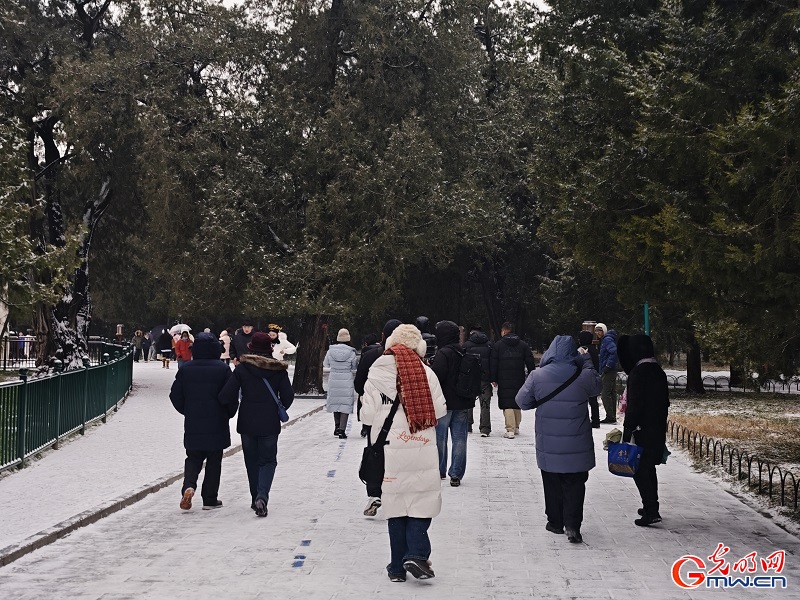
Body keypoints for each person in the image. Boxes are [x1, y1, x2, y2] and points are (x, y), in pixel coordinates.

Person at [361, 324, 447, 582]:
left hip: (389, 447)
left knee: (396, 505)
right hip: (420, 443)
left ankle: (397, 568)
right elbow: (440, 410)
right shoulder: (426, 372)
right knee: (421, 501)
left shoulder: (376, 373)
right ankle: (417, 553)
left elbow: (366, 415)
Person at [515, 335, 602, 544]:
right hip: (577, 442)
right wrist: (587, 361)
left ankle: (555, 522)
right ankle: (573, 525)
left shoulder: (538, 375)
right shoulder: (583, 375)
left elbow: (521, 401)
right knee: (575, 483)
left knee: (551, 480)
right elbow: (597, 388)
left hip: (549, 443)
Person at [218, 331, 294, 517]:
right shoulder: (278, 371)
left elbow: (227, 395)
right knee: (268, 460)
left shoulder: (243, 369)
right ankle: (262, 495)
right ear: (270, 349)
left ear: (251, 348)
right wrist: (278, 406)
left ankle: (255, 498)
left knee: (251, 461)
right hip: (269, 422)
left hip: (247, 421)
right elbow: (288, 397)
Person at [169, 333, 235, 510]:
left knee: (193, 457)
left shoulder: (186, 369)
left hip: (193, 422)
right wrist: (227, 413)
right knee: (214, 461)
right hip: (217, 422)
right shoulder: (223, 370)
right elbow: (231, 395)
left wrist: (187, 410)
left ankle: (189, 486)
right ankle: (209, 499)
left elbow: (175, 395)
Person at [617, 334, 670, 527]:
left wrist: (628, 428)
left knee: (640, 470)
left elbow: (635, 405)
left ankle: (651, 510)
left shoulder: (639, 373)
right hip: (656, 426)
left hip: (642, 428)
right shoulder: (658, 370)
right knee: (649, 468)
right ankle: (650, 505)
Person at [354, 319, 402, 516]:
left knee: (376, 452)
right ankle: (397, 491)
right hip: (401, 415)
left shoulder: (371, 355)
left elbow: (359, 384)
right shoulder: (410, 359)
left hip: (377, 413)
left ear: (383, 336)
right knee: (399, 454)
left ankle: (375, 492)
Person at [431, 319, 473, 487]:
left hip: (444, 404)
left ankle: (440, 470)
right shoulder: (464, 351)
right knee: (460, 439)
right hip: (463, 403)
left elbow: (436, 377)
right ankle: (456, 473)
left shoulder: (443, 353)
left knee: (440, 438)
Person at [490, 322, 536, 439]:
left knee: (507, 402)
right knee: (517, 400)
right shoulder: (523, 345)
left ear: (504, 331)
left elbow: (494, 363)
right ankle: (516, 426)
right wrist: (532, 375)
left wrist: (493, 378)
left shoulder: (498, 345)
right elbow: (530, 362)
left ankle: (509, 428)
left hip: (503, 377)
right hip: (519, 377)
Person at [323, 328, 359, 439]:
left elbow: (326, 364)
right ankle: (342, 430)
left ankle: (336, 426)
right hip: (346, 379)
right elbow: (354, 367)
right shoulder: (352, 352)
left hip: (334, 378)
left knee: (335, 403)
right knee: (345, 405)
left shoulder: (330, 351)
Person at [463, 326, 493, 437]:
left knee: (469, 402)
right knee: (485, 403)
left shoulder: (467, 345)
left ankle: (468, 425)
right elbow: (492, 362)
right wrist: (492, 377)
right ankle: (485, 428)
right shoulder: (489, 345)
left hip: (471, 378)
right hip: (485, 378)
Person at [595, 323, 620, 423]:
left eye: (599, 331)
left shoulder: (607, 340)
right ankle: (612, 415)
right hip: (611, 370)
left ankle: (610, 416)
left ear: (604, 331)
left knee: (605, 393)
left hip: (609, 370)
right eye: (596, 331)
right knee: (611, 392)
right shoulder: (607, 339)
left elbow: (614, 352)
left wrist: (607, 366)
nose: (598, 333)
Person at [578, 330, 601, 428]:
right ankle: (596, 420)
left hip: (582, 376)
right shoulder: (594, 349)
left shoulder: (581, 350)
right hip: (593, 375)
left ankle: (581, 419)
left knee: (581, 399)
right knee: (593, 399)